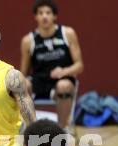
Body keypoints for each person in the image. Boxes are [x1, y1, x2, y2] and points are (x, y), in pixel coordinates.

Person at [20, 0, 84, 129]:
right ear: (36, 17)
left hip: (61, 81)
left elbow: (79, 66)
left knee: (64, 85)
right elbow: (24, 72)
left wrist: (63, 72)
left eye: (48, 13)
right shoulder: (28, 40)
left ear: (54, 16)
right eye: (41, 13)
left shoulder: (67, 33)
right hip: (39, 81)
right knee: (22, 84)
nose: (44, 16)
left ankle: (61, 130)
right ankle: (30, 129)